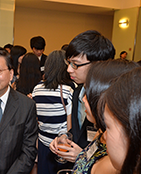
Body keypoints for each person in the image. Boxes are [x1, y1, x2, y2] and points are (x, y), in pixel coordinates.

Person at [50, 30, 116, 164]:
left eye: (75, 64)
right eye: (68, 63)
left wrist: (83, 156)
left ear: (97, 64)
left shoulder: (111, 102)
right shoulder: (77, 91)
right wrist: (65, 137)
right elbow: (78, 129)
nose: (69, 69)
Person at [32, 50, 74, 174]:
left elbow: (36, 118)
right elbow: (69, 126)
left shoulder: (36, 89)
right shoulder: (67, 91)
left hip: (43, 144)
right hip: (60, 146)